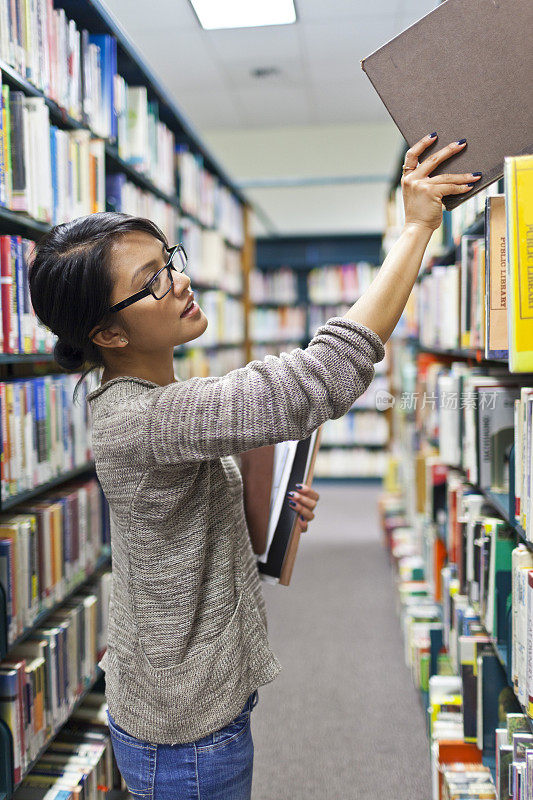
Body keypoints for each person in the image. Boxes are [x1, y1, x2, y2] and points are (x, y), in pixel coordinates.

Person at [28, 133, 480, 799]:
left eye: (168, 262)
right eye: (150, 283)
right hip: (183, 728)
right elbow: (319, 376)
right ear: (108, 335)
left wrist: (259, 521)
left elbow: (176, 526)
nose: (179, 282)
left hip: (192, 696)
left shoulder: (152, 401)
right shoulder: (144, 417)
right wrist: (415, 227)